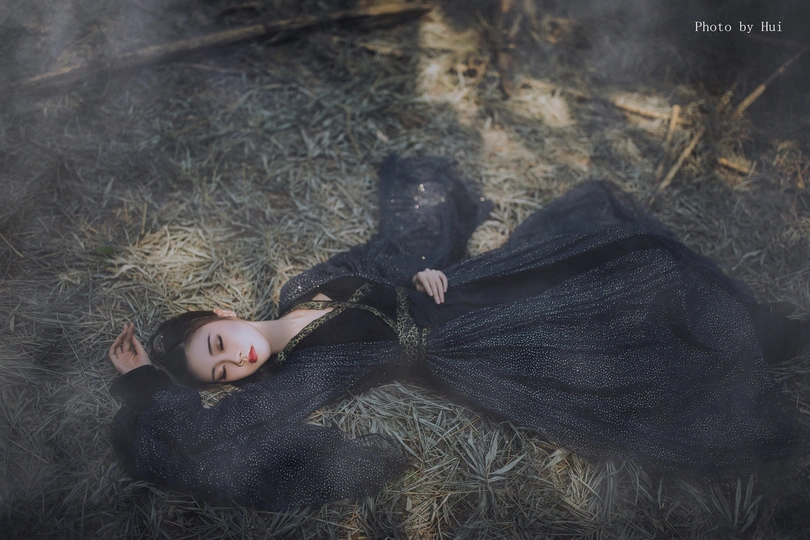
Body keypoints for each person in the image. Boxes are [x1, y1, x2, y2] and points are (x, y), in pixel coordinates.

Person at [107, 154, 810, 511]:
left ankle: (758, 325)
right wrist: (142, 386)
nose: (236, 358)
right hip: (478, 344)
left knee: (624, 251)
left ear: (221, 317)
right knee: (638, 296)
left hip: (463, 290)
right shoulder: (298, 375)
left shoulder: (302, 286)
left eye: (218, 344)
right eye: (222, 372)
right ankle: (762, 339)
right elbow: (199, 443)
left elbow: (377, 266)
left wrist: (419, 273)